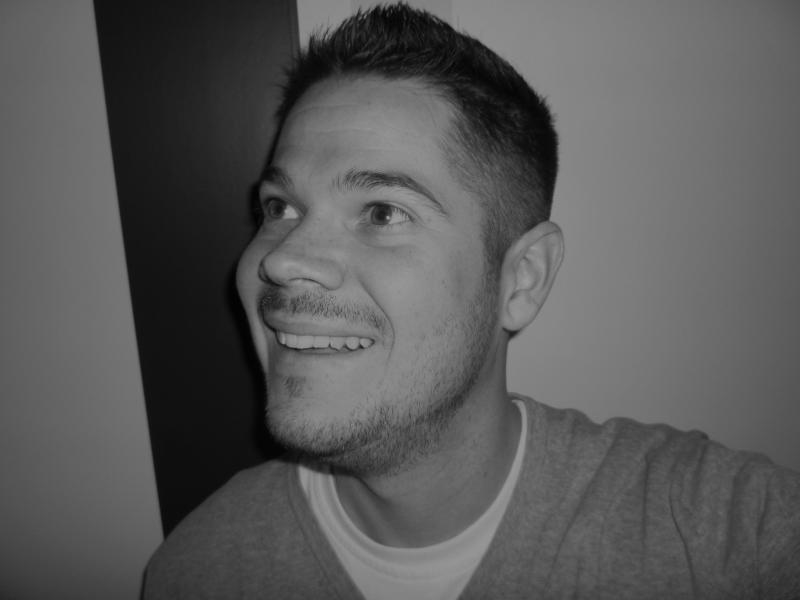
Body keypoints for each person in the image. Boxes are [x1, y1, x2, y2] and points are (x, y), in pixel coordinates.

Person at [143, 4, 800, 598]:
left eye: (382, 212)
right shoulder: (197, 570)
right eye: (279, 207)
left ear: (522, 280)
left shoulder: (716, 532)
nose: (282, 260)